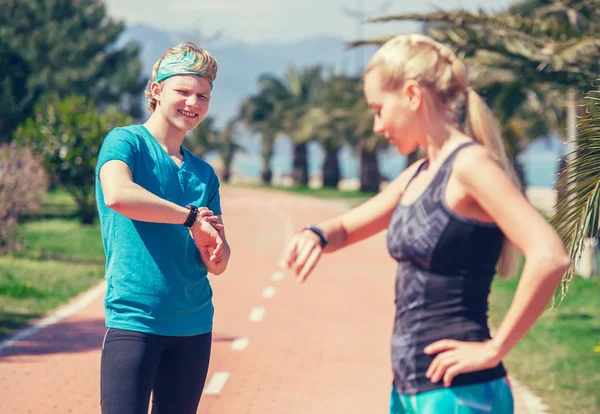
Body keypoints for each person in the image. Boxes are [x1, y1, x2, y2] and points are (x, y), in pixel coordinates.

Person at [282, 34, 570, 414]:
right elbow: (349, 228)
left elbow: (549, 255)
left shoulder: (470, 166)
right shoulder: (421, 172)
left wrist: (494, 349)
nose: (376, 125)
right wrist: (316, 235)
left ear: (413, 95)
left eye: (379, 109)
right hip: (410, 390)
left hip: (460, 395)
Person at [95, 41, 231, 414]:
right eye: (183, 91)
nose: (193, 102)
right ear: (156, 91)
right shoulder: (126, 143)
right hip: (135, 319)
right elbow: (118, 195)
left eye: (203, 95)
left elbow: (217, 264)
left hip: (194, 326)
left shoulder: (204, 173)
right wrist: (190, 218)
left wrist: (218, 248)